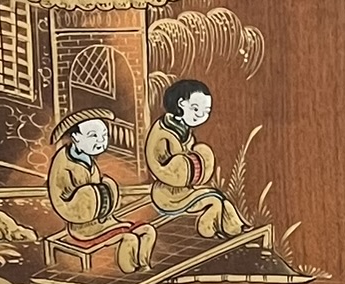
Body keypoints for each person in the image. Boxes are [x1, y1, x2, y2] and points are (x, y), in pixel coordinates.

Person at [46, 111, 157, 273]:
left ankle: (144, 266)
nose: (100, 141)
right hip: (82, 225)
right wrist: (92, 201)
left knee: (148, 231)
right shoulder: (64, 163)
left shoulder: (86, 158)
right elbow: (65, 202)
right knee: (129, 238)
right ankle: (131, 272)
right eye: (93, 136)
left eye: (104, 136)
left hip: (102, 217)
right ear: (76, 138)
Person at [144, 79, 244, 239]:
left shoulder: (182, 128)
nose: (201, 116)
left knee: (219, 197)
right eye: (196, 109)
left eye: (206, 112)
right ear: (181, 104)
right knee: (214, 200)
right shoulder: (164, 134)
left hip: (184, 188)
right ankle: (209, 230)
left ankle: (238, 229)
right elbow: (164, 170)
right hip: (167, 194)